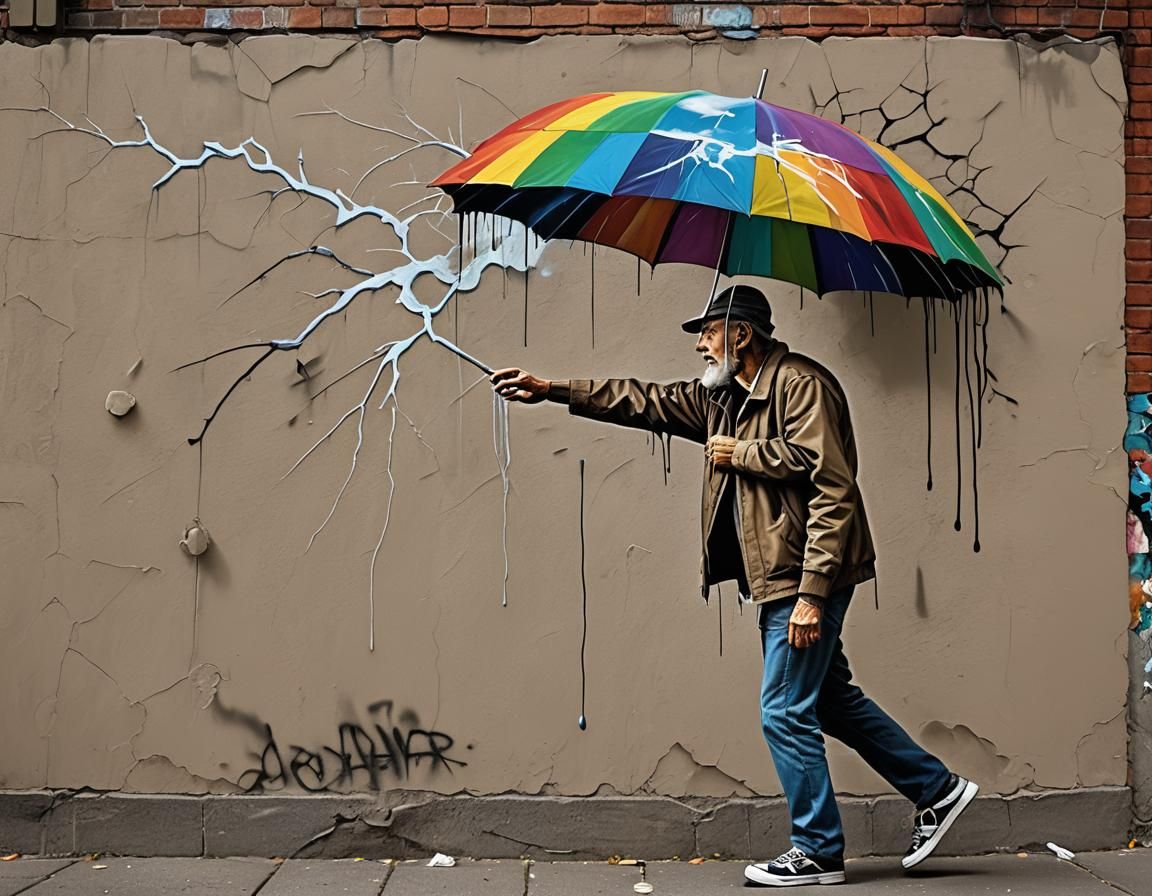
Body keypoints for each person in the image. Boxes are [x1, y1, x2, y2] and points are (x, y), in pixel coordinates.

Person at [490, 284, 978, 887]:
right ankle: (938, 788)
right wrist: (552, 389)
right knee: (826, 699)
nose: (700, 344)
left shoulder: (803, 385)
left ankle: (820, 852)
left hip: (804, 572)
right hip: (778, 572)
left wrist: (810, 594)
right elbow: (646, 401)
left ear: (741, 334)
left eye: (709, 332)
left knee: (783, 710)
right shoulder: (725, 397)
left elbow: (834, 489)